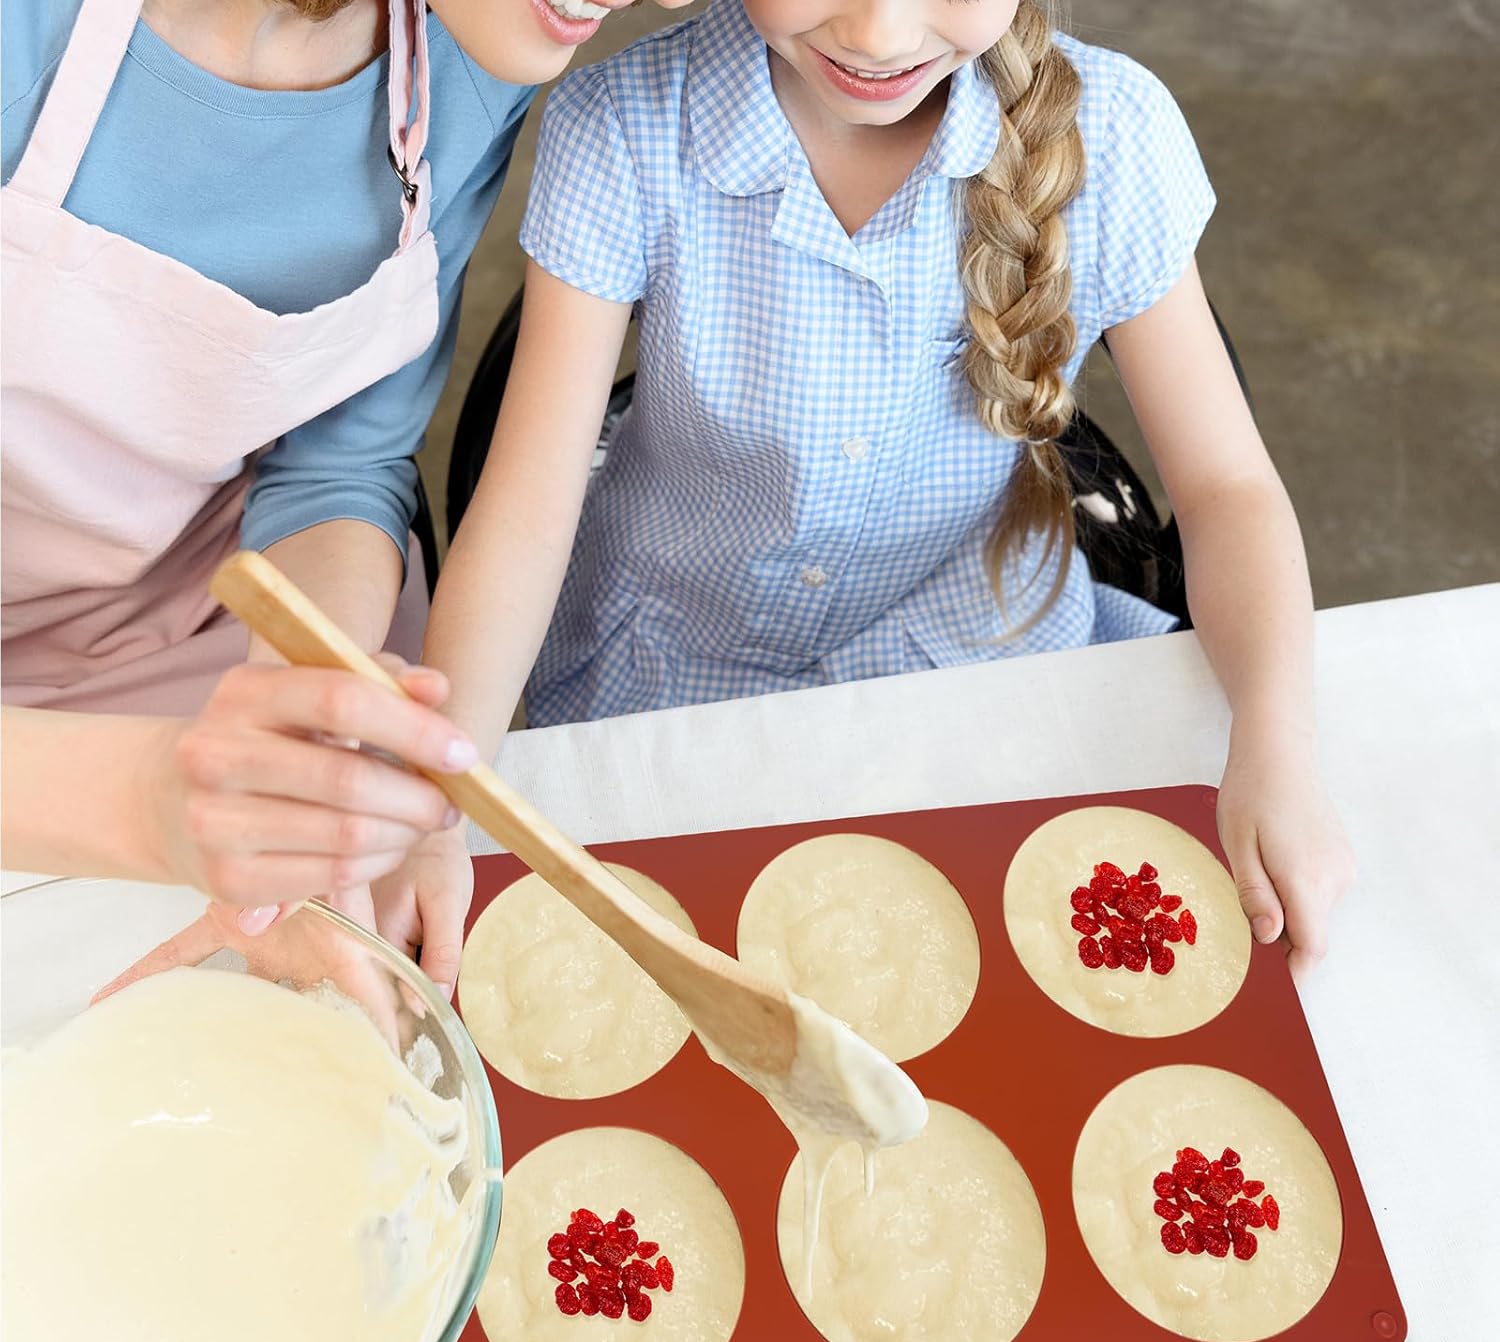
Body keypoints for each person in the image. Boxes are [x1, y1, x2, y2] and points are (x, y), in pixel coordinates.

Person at [408, 0, 1355, 981]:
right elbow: (524, 517)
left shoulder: (1114, 133)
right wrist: (435, 812)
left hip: (975, 663)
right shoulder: (620, 123)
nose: (879, 35)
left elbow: (1227, 489)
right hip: (669, 671)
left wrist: (1276, 748)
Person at [0, 0, 684, 925]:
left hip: (214, 630)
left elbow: (338, 469)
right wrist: (149, 802)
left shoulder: (473, 59)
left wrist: (308, 735)